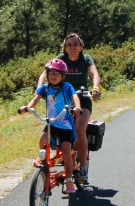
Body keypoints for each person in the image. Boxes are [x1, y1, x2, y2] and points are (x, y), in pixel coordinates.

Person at [36, 33, 101, 186]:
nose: (72, 47)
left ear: (81, 47)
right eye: (69, 44)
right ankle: (58, 159)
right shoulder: (60, 58)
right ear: (64, 47)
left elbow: (94, 73)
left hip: (82, 99)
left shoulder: (85, 59)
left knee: (79, 129)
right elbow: (44, 74)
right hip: (62, 100)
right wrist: (39, 87)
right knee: (54, 129)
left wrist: (95, 87)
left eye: (75, 44)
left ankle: (83, 167)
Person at [20, 58, 82, 194]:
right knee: (42, 140)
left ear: (63, 76)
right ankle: (44, 164)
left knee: (66, 152)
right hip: (52, 123)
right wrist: (28, 107)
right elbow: (36, 98)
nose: (53, 76)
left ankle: (69, 180)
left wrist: (77, 107)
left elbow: (75, 96)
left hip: (65, 124)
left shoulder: (66, 87)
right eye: (51, 73)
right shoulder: (45, 88)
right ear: (47, 75)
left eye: (57, 73)